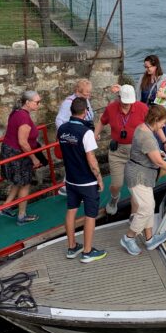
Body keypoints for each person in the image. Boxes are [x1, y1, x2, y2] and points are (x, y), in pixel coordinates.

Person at [121, 106, 166, 256]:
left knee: (150, 205)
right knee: (146, 208)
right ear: (155, 120)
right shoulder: (147, 136)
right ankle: (129, 238)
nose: (164, 126)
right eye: (163, 122)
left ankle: (149, 239)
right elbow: (159, 163)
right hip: (138, 175)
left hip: (142, 173)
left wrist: (158, 151)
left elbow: (146, 151)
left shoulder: (143, 128)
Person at [96, 84, 166, 216]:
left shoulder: (142, 108)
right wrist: (95, 134)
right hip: (117, 151)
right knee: (116, 184)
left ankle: (134, 215)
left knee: (136, 187)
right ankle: (114, 198)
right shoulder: (111, 108)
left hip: (137, 151)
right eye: (124, 102)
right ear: (119, 98)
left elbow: (155, 125)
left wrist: (165, 142)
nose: (127, 105)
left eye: (129, 102)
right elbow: (102, 121)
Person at [58, 97, 106, 263]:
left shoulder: (62, 129)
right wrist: (99, 178)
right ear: (85, 111)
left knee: (71, 210)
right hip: (87, 181)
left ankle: (72, 247)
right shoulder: (86, 133)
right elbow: (91, 159)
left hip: (71, 179)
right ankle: (87, 251)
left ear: (71, 110)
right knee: (90, 215)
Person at [0, 90, 45, 225]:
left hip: (9, 151)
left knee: (18, 181)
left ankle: (5, 207)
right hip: (18, 154)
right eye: (37, 102)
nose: (39, 104)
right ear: (28, 102)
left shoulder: (17, 112)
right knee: (25, 183)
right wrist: (34, 159)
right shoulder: (24, 117)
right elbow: (23, 142)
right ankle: (21, 216)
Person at [55, 79, 94, 197]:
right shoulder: (69, 103)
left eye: (89, 93)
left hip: (83, 135)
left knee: (79, 163)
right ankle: (69, 188)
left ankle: (68, 187)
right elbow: (59, 120)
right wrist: (69, 136)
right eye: (85, 93)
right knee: (79, 162)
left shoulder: (84, 100)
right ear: (77, 91)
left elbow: (89, 116)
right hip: (75, 138)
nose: (88, 96)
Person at [138, 54, 166, 146]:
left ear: (155, 66)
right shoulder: (143, 78)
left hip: (160, 113)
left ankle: (164, 156)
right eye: (145, 67)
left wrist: (163, 95)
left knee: (161, 138)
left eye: (148, 67)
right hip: (146, 112)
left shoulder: (165, 79)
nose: (146, 69)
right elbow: (138, 94)